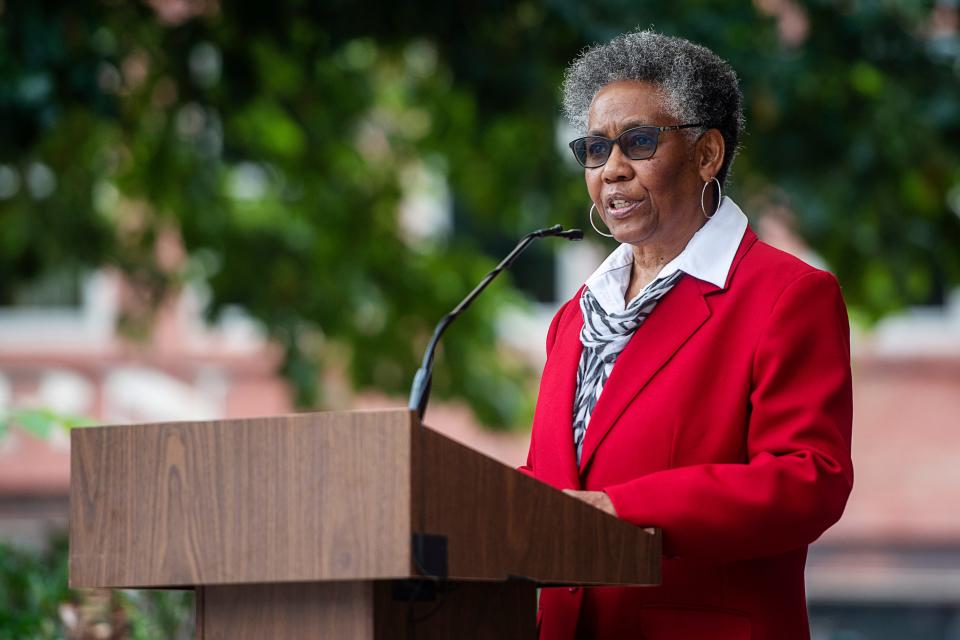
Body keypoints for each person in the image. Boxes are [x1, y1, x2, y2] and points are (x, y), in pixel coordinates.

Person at [519, 30, 853, 640]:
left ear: (707, 154)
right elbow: (557, 481)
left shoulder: (784, 295)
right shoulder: (577, 315)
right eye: (595, 149)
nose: (611, 169)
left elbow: (809, 479)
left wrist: (621, 512)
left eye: (638, 143)